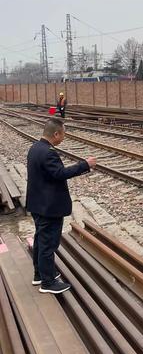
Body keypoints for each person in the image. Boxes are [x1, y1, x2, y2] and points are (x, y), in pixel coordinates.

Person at [26, 118, 96, 294]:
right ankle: (48, 283)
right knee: (48, 244)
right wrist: (84, 165)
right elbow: (60, 173)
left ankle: (39, 275)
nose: (63, 137)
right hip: (49, 207)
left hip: (38, 204)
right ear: (56, 134)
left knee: (41, 241)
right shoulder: (49, 152)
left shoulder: (35, 148)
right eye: (63, 134)